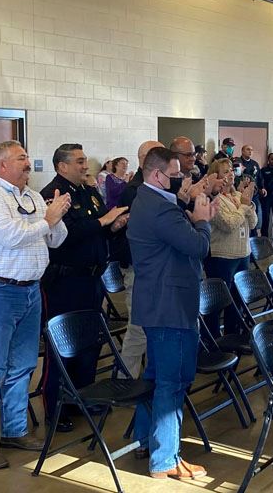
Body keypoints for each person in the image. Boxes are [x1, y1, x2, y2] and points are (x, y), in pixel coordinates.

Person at [0, 141, 70, 470]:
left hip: (30, 291)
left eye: (26, 157)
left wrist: (55, 219)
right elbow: (12, 236)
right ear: (2, 167)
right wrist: (48, 220)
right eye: (21, 158)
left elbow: (55, 239)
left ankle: (15, 430)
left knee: (24, 365)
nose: (28, 163)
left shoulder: (32, 196)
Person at [128, 147, 217, 480]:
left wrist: (193, 220)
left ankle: (144, 440)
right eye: (174, 174)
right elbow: (198, 247)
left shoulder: (151, 201)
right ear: (156, 175)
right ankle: (165, 459)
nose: (180, 180)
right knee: (173, 383)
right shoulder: (158, 209)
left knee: (155, 375)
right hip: (169, 307)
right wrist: (203, 223)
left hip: (160, 302)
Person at [39, 144, 128, 433]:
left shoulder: (88, 192)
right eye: (78, 161)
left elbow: (98, 225)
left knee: (90, 341)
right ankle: (56, 406)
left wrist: (113, 226)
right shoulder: (52, 195)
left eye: (84, 160)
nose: (84, 165)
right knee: (62, 346)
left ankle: (83, 398)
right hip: (65, 281)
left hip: (92, 278)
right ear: (62, 166)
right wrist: (103, 220)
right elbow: (64, 237)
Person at [113, 140, 163, 378]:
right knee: (138, 328)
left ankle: (151, 374)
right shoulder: (135, 190)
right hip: (139, 267)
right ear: (144, 159)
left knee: (153, 327)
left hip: (157, 267)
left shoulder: (158, 187)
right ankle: (127, 380)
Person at [203, 158, 257, 336]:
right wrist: (243, 206)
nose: (231, 174)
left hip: (243, 254)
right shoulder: (214, 199)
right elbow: (229, 223)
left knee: (237, 300)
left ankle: (233, 336)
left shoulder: (236, 196)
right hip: (222, 257)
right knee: (218, 302)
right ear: (216, 176)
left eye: (231, 171)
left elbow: (253, 223)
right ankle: (213, 340)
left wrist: (247, 204)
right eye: (225, 172)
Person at [237, 145, 262, 234]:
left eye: (252, 150)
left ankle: (254, 237)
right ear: (242, 151)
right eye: (248, 149)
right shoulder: (238, 163)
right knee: (244, 217)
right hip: (242, 195)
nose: (250, 151)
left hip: (254, 195)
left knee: (254, 217)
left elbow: (259, 177)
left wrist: (262, 188)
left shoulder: (255, 164)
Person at [259, 152, 273, 237]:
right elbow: (261, 182)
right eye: (272, 159)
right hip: (266, 197)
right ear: (268, 160)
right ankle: (264, 237)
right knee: (266, 218)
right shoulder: (263, 170)